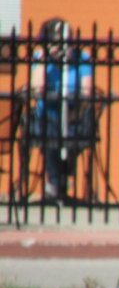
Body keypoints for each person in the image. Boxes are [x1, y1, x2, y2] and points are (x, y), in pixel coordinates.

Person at [28, 17, 95, 201]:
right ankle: (56, 182)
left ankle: (61, 182)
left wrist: (76, 111)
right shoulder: (40, 58)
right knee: (50, 129)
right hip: (47, 116)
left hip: (74, 115)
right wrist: (46, 61)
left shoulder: (82, 59)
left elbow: (87, 92)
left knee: (69, 131)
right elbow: (36, 90)